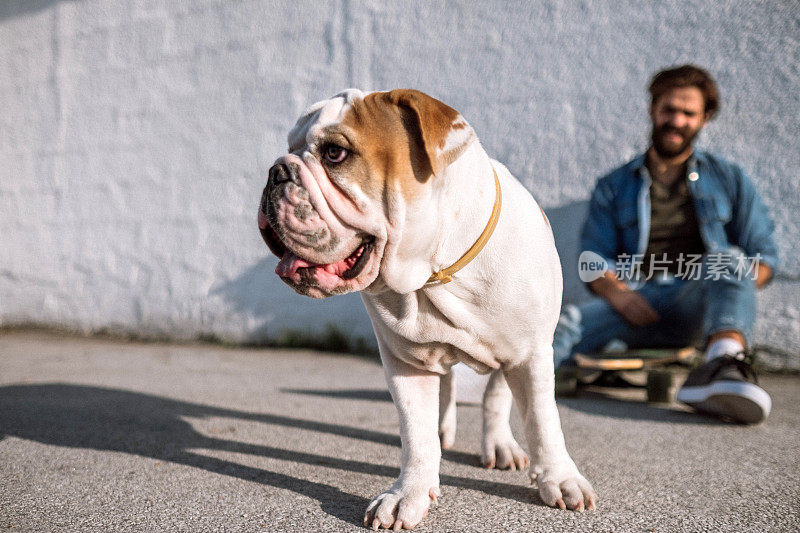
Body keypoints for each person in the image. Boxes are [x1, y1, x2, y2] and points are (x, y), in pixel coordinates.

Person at [553, 64, 778, 424]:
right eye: (669, 109)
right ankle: (496, 384)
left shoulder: (730, 178)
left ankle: (723, 364)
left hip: (699, 303)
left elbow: (765, 259)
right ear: (653, 110)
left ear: (704, 119)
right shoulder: (614, 185)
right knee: (565, 322)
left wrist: (729, 291)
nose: (676, 120)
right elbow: (593, 260)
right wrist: (619, 294)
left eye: (688, 113)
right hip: (635, 301)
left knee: (732, 260)